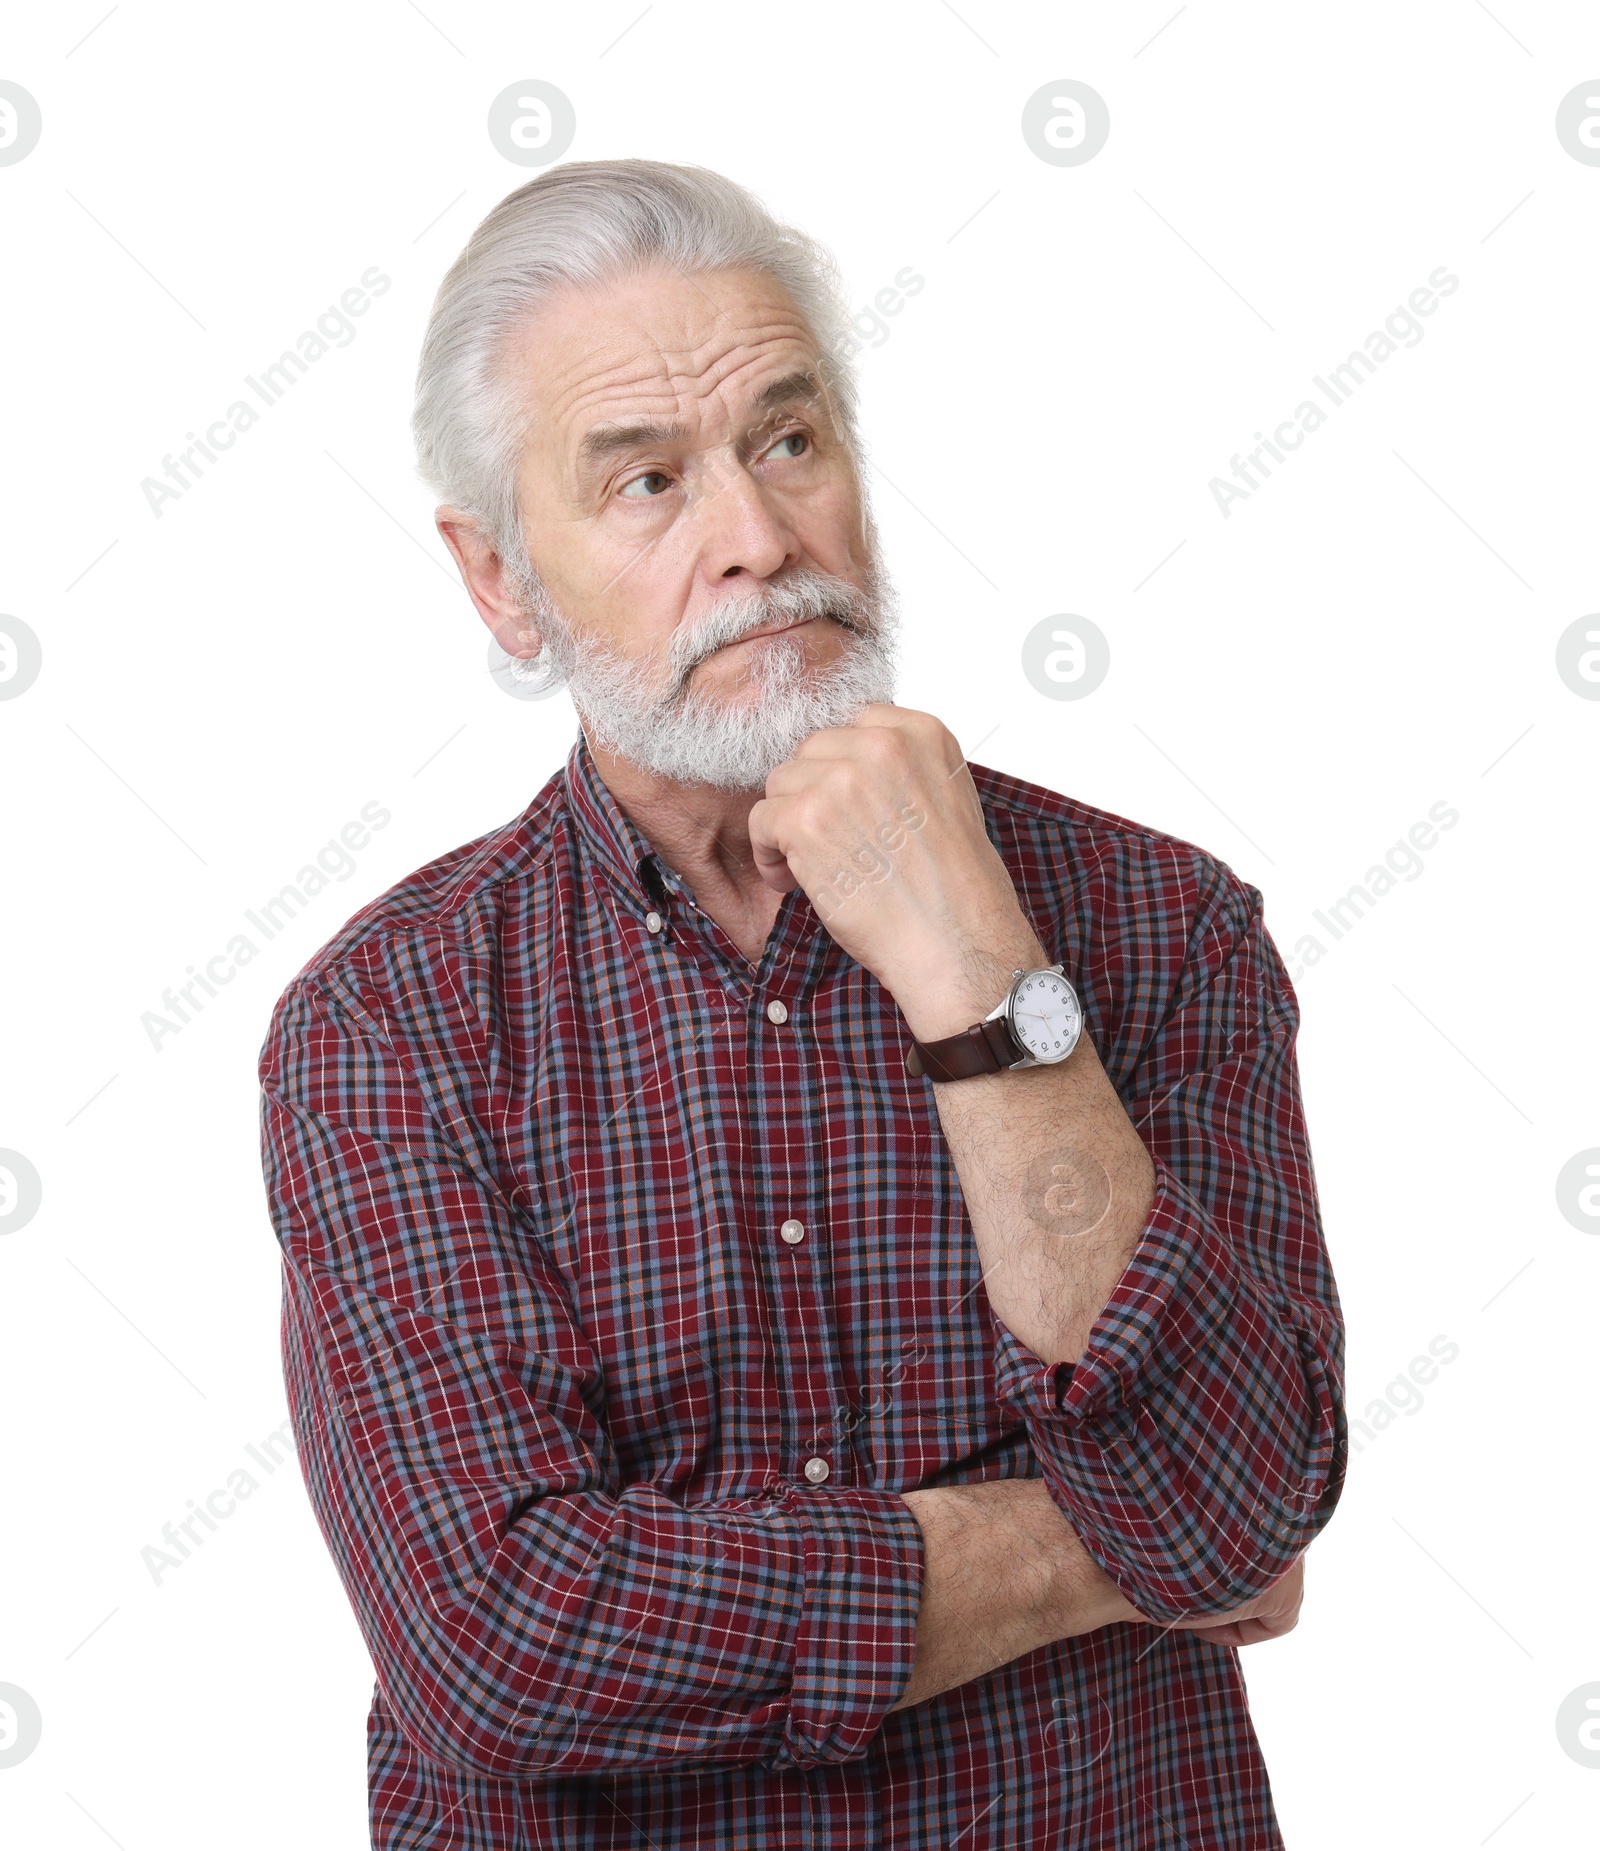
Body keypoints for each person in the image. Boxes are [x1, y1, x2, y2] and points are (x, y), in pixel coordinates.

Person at [258, 158, 1346, 1849]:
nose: (759, 542)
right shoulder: (388, 1024)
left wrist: (980, 965)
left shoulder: (1158, 923)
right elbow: (511, 1637)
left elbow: (1247, 1480)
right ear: (500, 582)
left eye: (789, 440)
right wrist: (1111, 1544)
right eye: (645, 483)